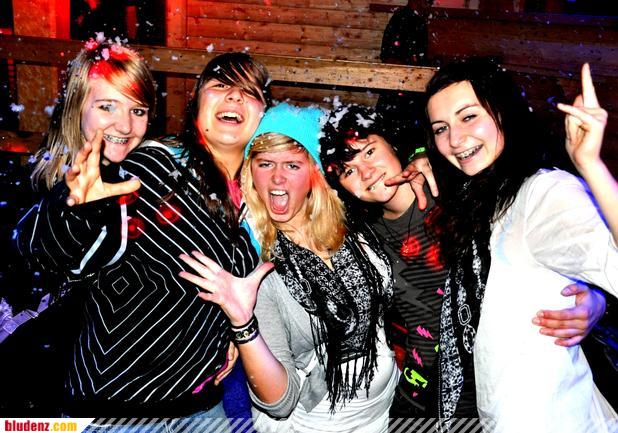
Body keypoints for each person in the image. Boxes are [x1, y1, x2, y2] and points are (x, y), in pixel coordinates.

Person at [13, 40, 260, 425]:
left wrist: (230, 330)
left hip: (202, 404)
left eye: (249, 91)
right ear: (196, 103)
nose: (234, 96)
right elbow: (54, 251)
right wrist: (74, 209)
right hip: (122, 408)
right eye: (220, 85)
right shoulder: (154, 166)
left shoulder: (259, 194)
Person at [319, 103, 608, 422]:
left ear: (391, 143)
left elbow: (547, 246)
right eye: (348, 171)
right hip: (423, 390)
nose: (366, 172)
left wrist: (595, 298)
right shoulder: (361, 239)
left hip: (501, 382)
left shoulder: (458, 193)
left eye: (370, 152)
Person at [179, 102, 399, 432]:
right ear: (251, 173)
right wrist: (242, 323)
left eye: (293, 165)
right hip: (317, 426)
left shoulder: (356, 225)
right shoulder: (258, 267)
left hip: (384, 414)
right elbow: (278, 401)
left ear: (314, 173)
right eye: (265, 163)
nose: (277, 177)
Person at [424, 58, 617, 431]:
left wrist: (591, 165)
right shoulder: (480, 198)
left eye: (468, 117)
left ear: (503, 113)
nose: (455, 140)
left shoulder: (543, 192)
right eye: (441, 128)